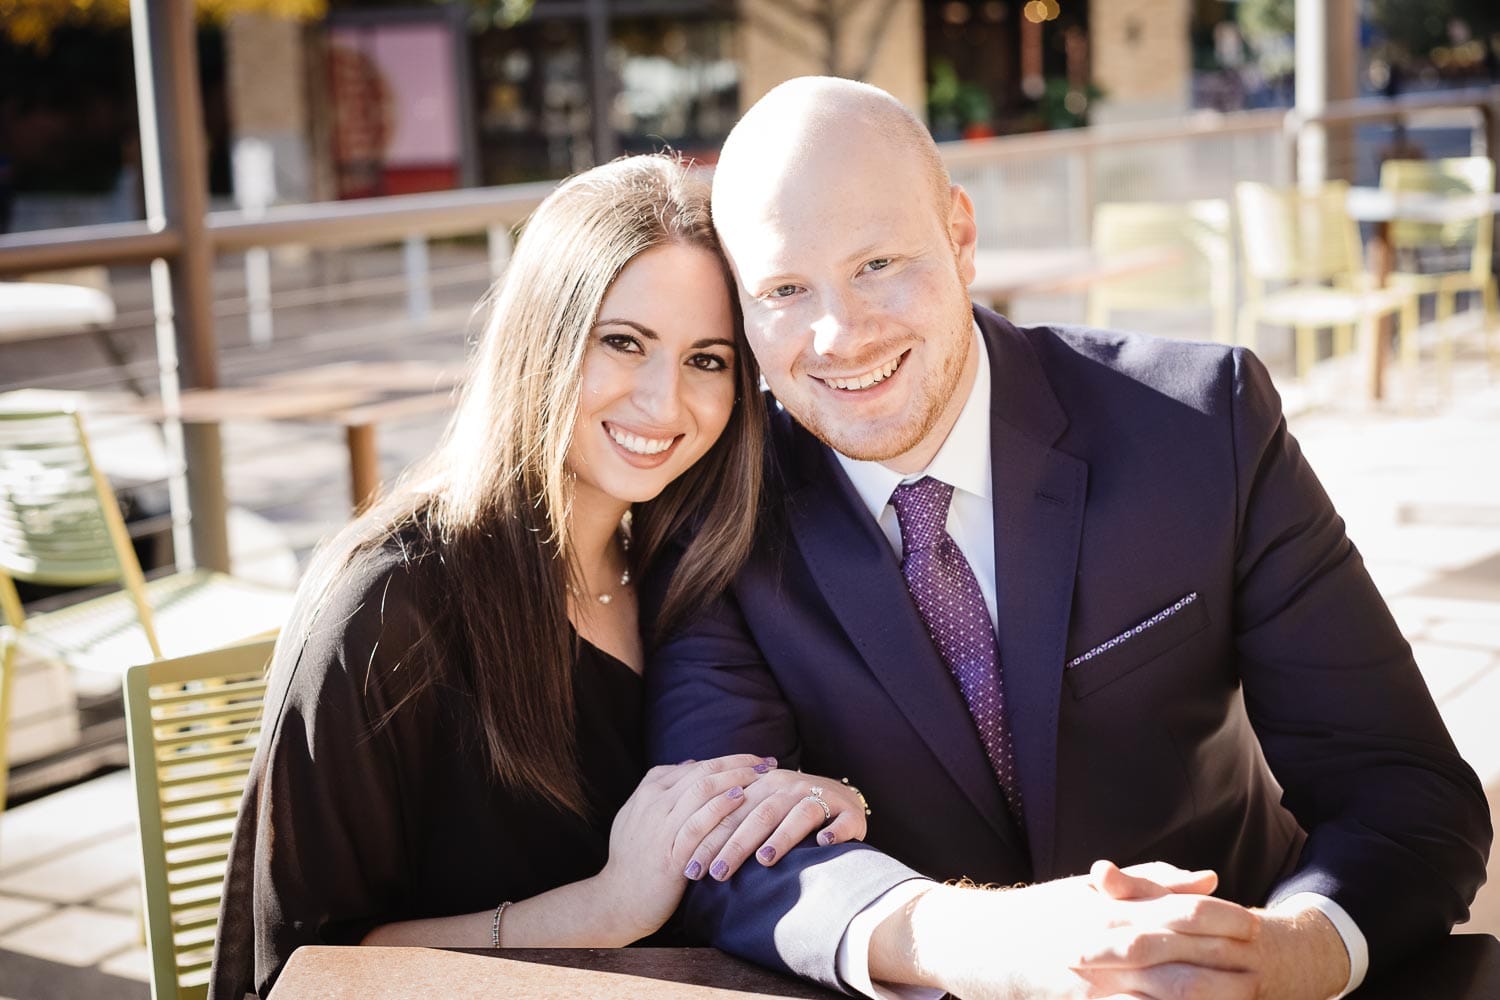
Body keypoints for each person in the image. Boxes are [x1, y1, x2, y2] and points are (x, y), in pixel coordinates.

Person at [646, 77, 1492, 999]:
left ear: (960, 236)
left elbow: (1404, 790)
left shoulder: (1201, 425)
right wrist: (988, 943)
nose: (840, 334)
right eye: (783, 288)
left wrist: (1285, 954)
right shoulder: (711, 507)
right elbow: (722, 850)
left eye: (878, 264)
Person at [208, 154, 870, 1000]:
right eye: (623, 342)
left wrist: (813, 805)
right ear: (543, 336)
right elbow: (302, 970)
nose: (664, 404)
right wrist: (599, 911)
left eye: (708, 359)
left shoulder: (693, 574)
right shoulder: (388, 606)